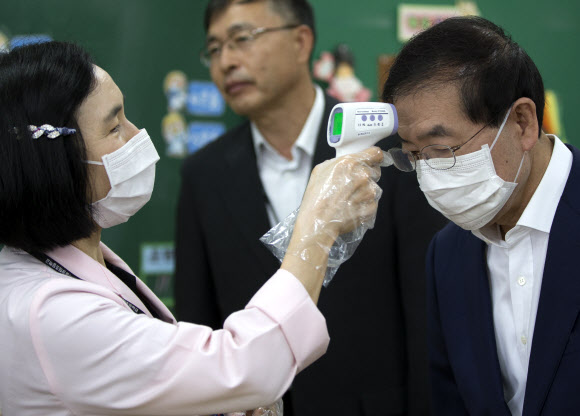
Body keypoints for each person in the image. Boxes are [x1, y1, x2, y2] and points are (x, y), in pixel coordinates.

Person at [0, 41, 385, 415]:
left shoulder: (81, 266)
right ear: (52, 158)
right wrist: (318, 225)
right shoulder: (50, 313)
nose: (138, 137)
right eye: (114, 127)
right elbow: (245, 366)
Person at [174, 0, 448, 414]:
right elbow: (198, 321)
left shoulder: (386, 152)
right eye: (214, 49)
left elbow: (426, 310)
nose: (226, 61)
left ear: (301, 41)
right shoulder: (203, 174)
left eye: (241, 39)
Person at [381, 15, 580, 415]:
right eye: (414, 155)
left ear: (522, 123)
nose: (429, 175)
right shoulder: (447, 255)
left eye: (443, 150)